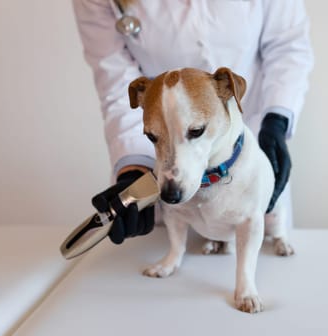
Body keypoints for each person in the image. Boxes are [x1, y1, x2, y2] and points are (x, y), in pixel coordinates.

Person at [72, 0, 314, 244]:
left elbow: (288, 47)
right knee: (162, 270)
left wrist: (276, 121)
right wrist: (133, 167)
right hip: (171, 203)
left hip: (248, 149)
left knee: (265, 256)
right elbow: (117, 83)